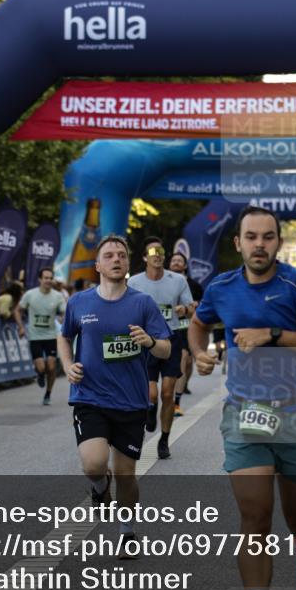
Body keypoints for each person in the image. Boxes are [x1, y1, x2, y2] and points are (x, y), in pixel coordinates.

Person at [188, 206, 296, 590]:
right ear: (238, 243)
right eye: (251, 237)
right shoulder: (222, 287)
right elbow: (198, 324)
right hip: (244, 413)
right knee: (255, 516)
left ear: (278, 243)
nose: (259, 245)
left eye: (267, 237)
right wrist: (199, 353)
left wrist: (272, 334)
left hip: (295, 414)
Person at [57, 235, 170, 551]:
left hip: (131, 401)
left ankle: (127, 532)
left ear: (128, 263)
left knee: (125, 474)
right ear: (97, 265)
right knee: (93, 464)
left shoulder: (142, 303)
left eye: (121, 254)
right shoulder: (79, 303)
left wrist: (149, 342)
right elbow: (64, 337)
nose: (116, 259)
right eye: (108, 255)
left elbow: (165, 349)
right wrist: (67, 365)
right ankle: (99, 485)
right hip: (89, 397)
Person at [127, 237, 194, 459]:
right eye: (152, 252)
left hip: (171, 337)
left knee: (167, 392)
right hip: (146, 340)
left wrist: (184, 310)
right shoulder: (134, 282)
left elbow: (190, 307)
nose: (157, 255)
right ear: (145, 257)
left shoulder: (178, 280)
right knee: (152, 393)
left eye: (160, 251)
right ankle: (150, 408)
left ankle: (164, 439)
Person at [16, 268, 66, 406]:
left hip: (51, 335)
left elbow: (65, 312)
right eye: (45, 278)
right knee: (41, 367)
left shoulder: (57, 296)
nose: (48, 281)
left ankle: (48, 394)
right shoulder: (30, 294)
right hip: (35, 336)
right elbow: (18, 310)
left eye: (50, 278)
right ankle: (39, 373)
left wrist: (63, 318)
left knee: (51, 367)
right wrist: (21, 326)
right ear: (40, 279)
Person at [168, 251, 204, 417]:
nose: (176, 263)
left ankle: (176, 402)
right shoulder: (162, 283)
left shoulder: (194, 286)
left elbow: (203, 305)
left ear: (184, 265)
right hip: (167, 328)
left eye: (179, 260)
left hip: (186, 327)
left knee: (186, 361)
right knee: (179, 362)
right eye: (173, 260)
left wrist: (195, 305)